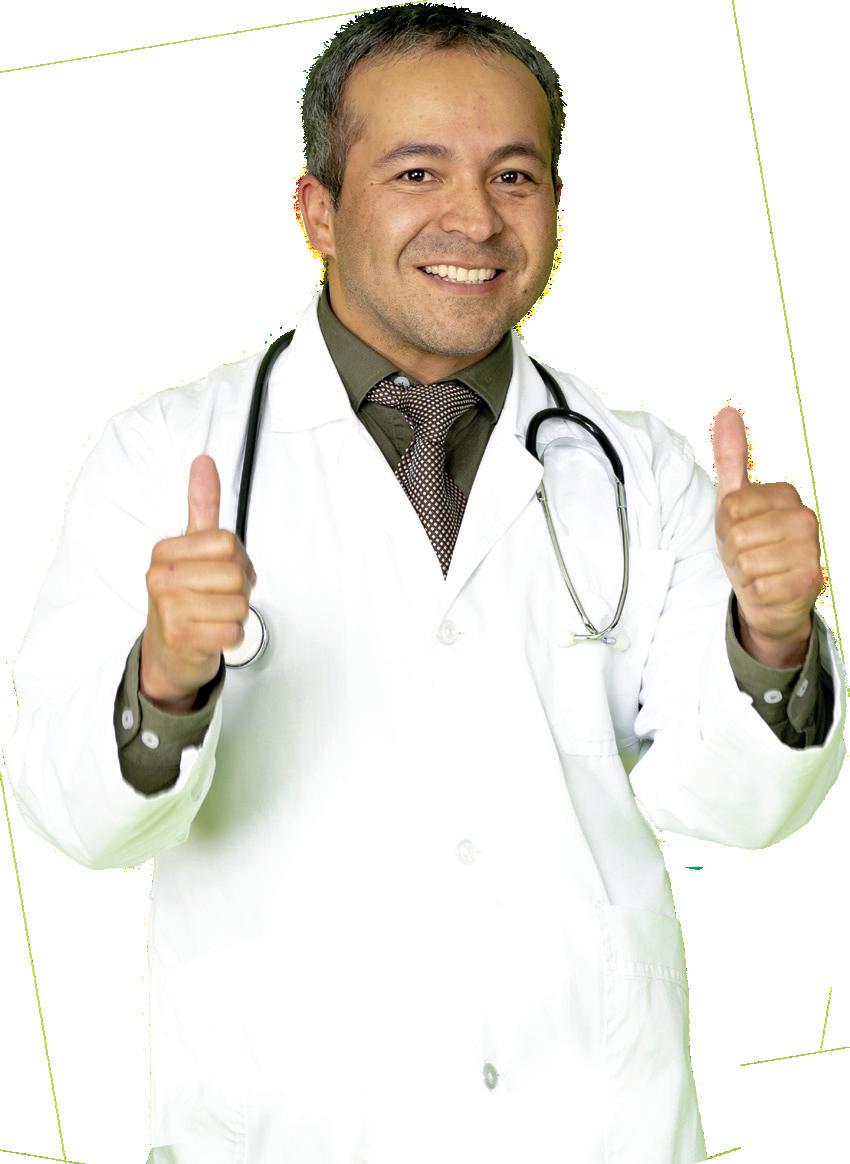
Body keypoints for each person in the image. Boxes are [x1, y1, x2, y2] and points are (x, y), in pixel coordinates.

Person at [5, 4, 845, 1162]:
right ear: (316, 210)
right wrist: (164, 679)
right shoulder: (164, 457)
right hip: (296, 1127)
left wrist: (776, 636)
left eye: (514, 175)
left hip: (592, 1125)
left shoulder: (636, 467)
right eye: (416, 172)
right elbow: (72, 817)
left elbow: (741, 808)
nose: (476, 219)